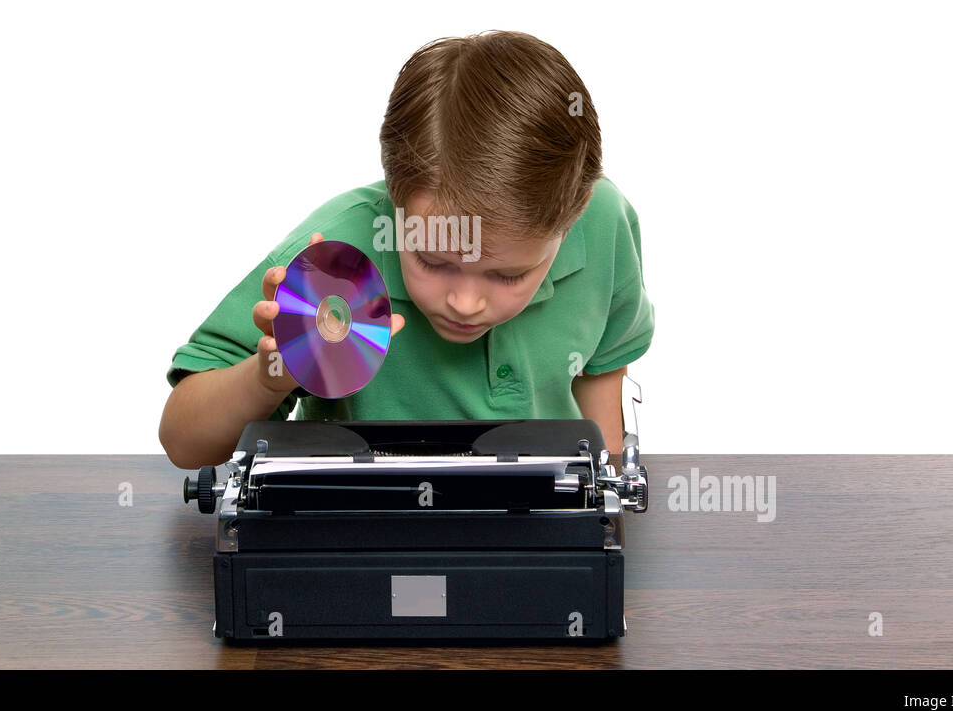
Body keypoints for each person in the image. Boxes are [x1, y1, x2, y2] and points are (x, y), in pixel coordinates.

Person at [159, 31, 655, 468]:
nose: (465, 303)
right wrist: (274, 373)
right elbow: (183, 442)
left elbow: (601, 368)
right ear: (394, 204)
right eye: (433, 261)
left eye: (506, 276)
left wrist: (603, 503)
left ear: (570, 223)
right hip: (358, 523)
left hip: (539, 516)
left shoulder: (603, 220)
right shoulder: (338, 252)